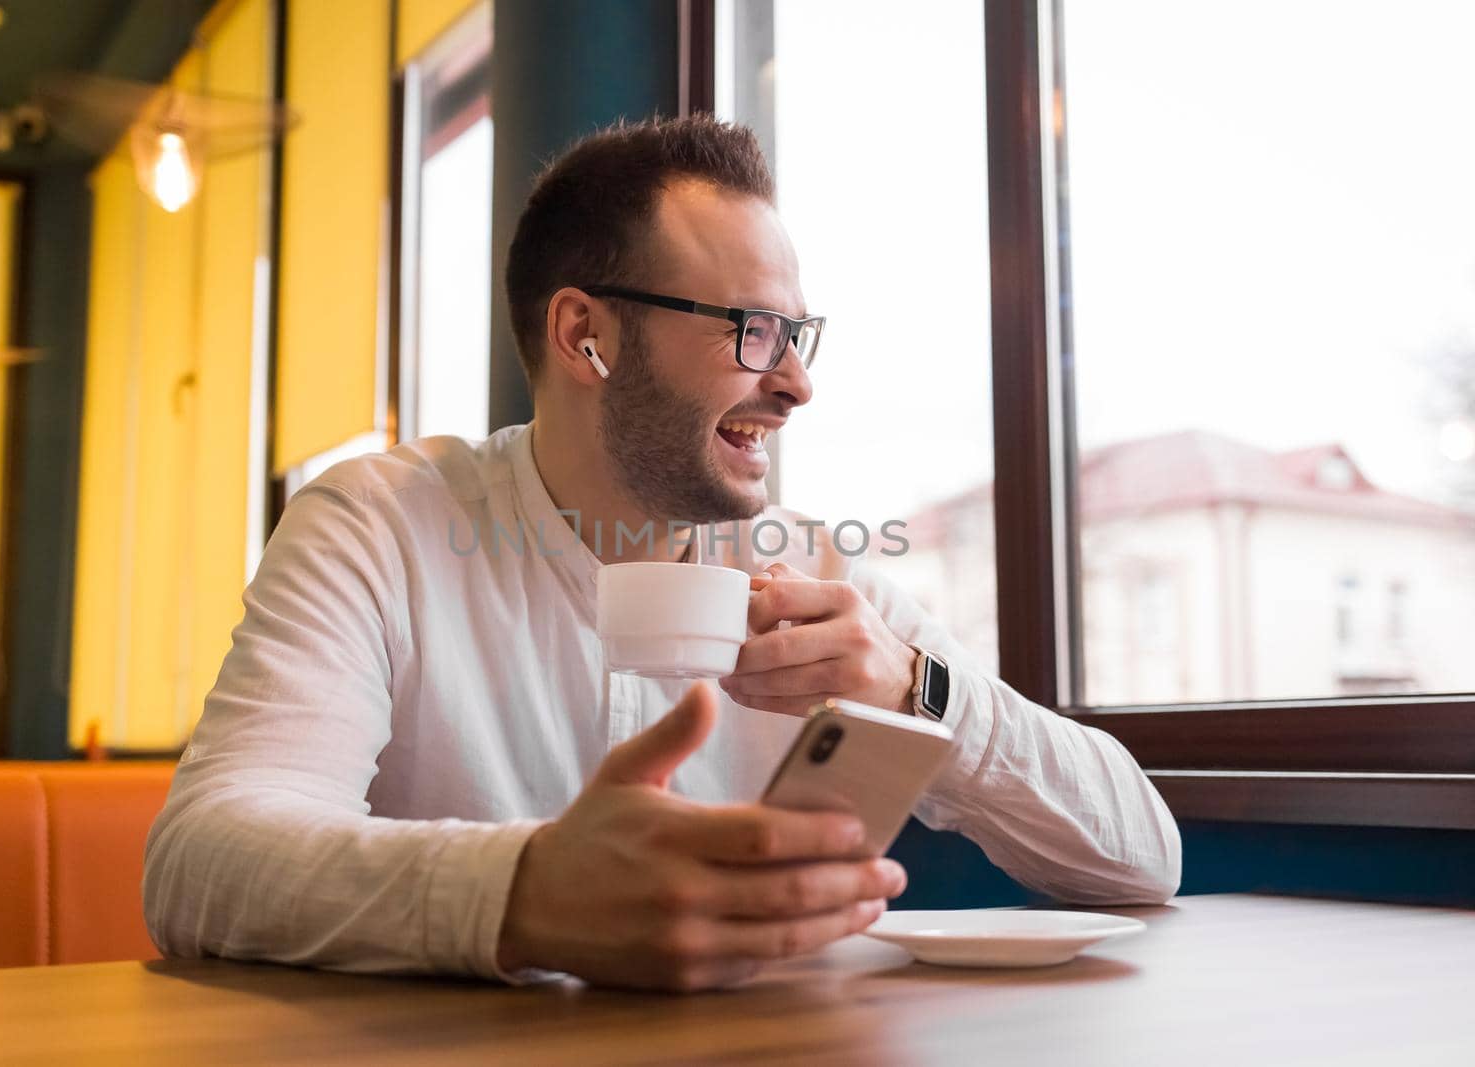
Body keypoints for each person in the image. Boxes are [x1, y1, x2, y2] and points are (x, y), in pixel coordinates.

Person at [143, 115, 1180, 993]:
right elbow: (201, 859)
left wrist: (920, 690)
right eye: (751, 330)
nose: (796, 385)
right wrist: (526, 888)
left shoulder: (812, 571)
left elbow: (1142, 856)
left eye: (796, 335)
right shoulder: (382, 525)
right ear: (584, 336)